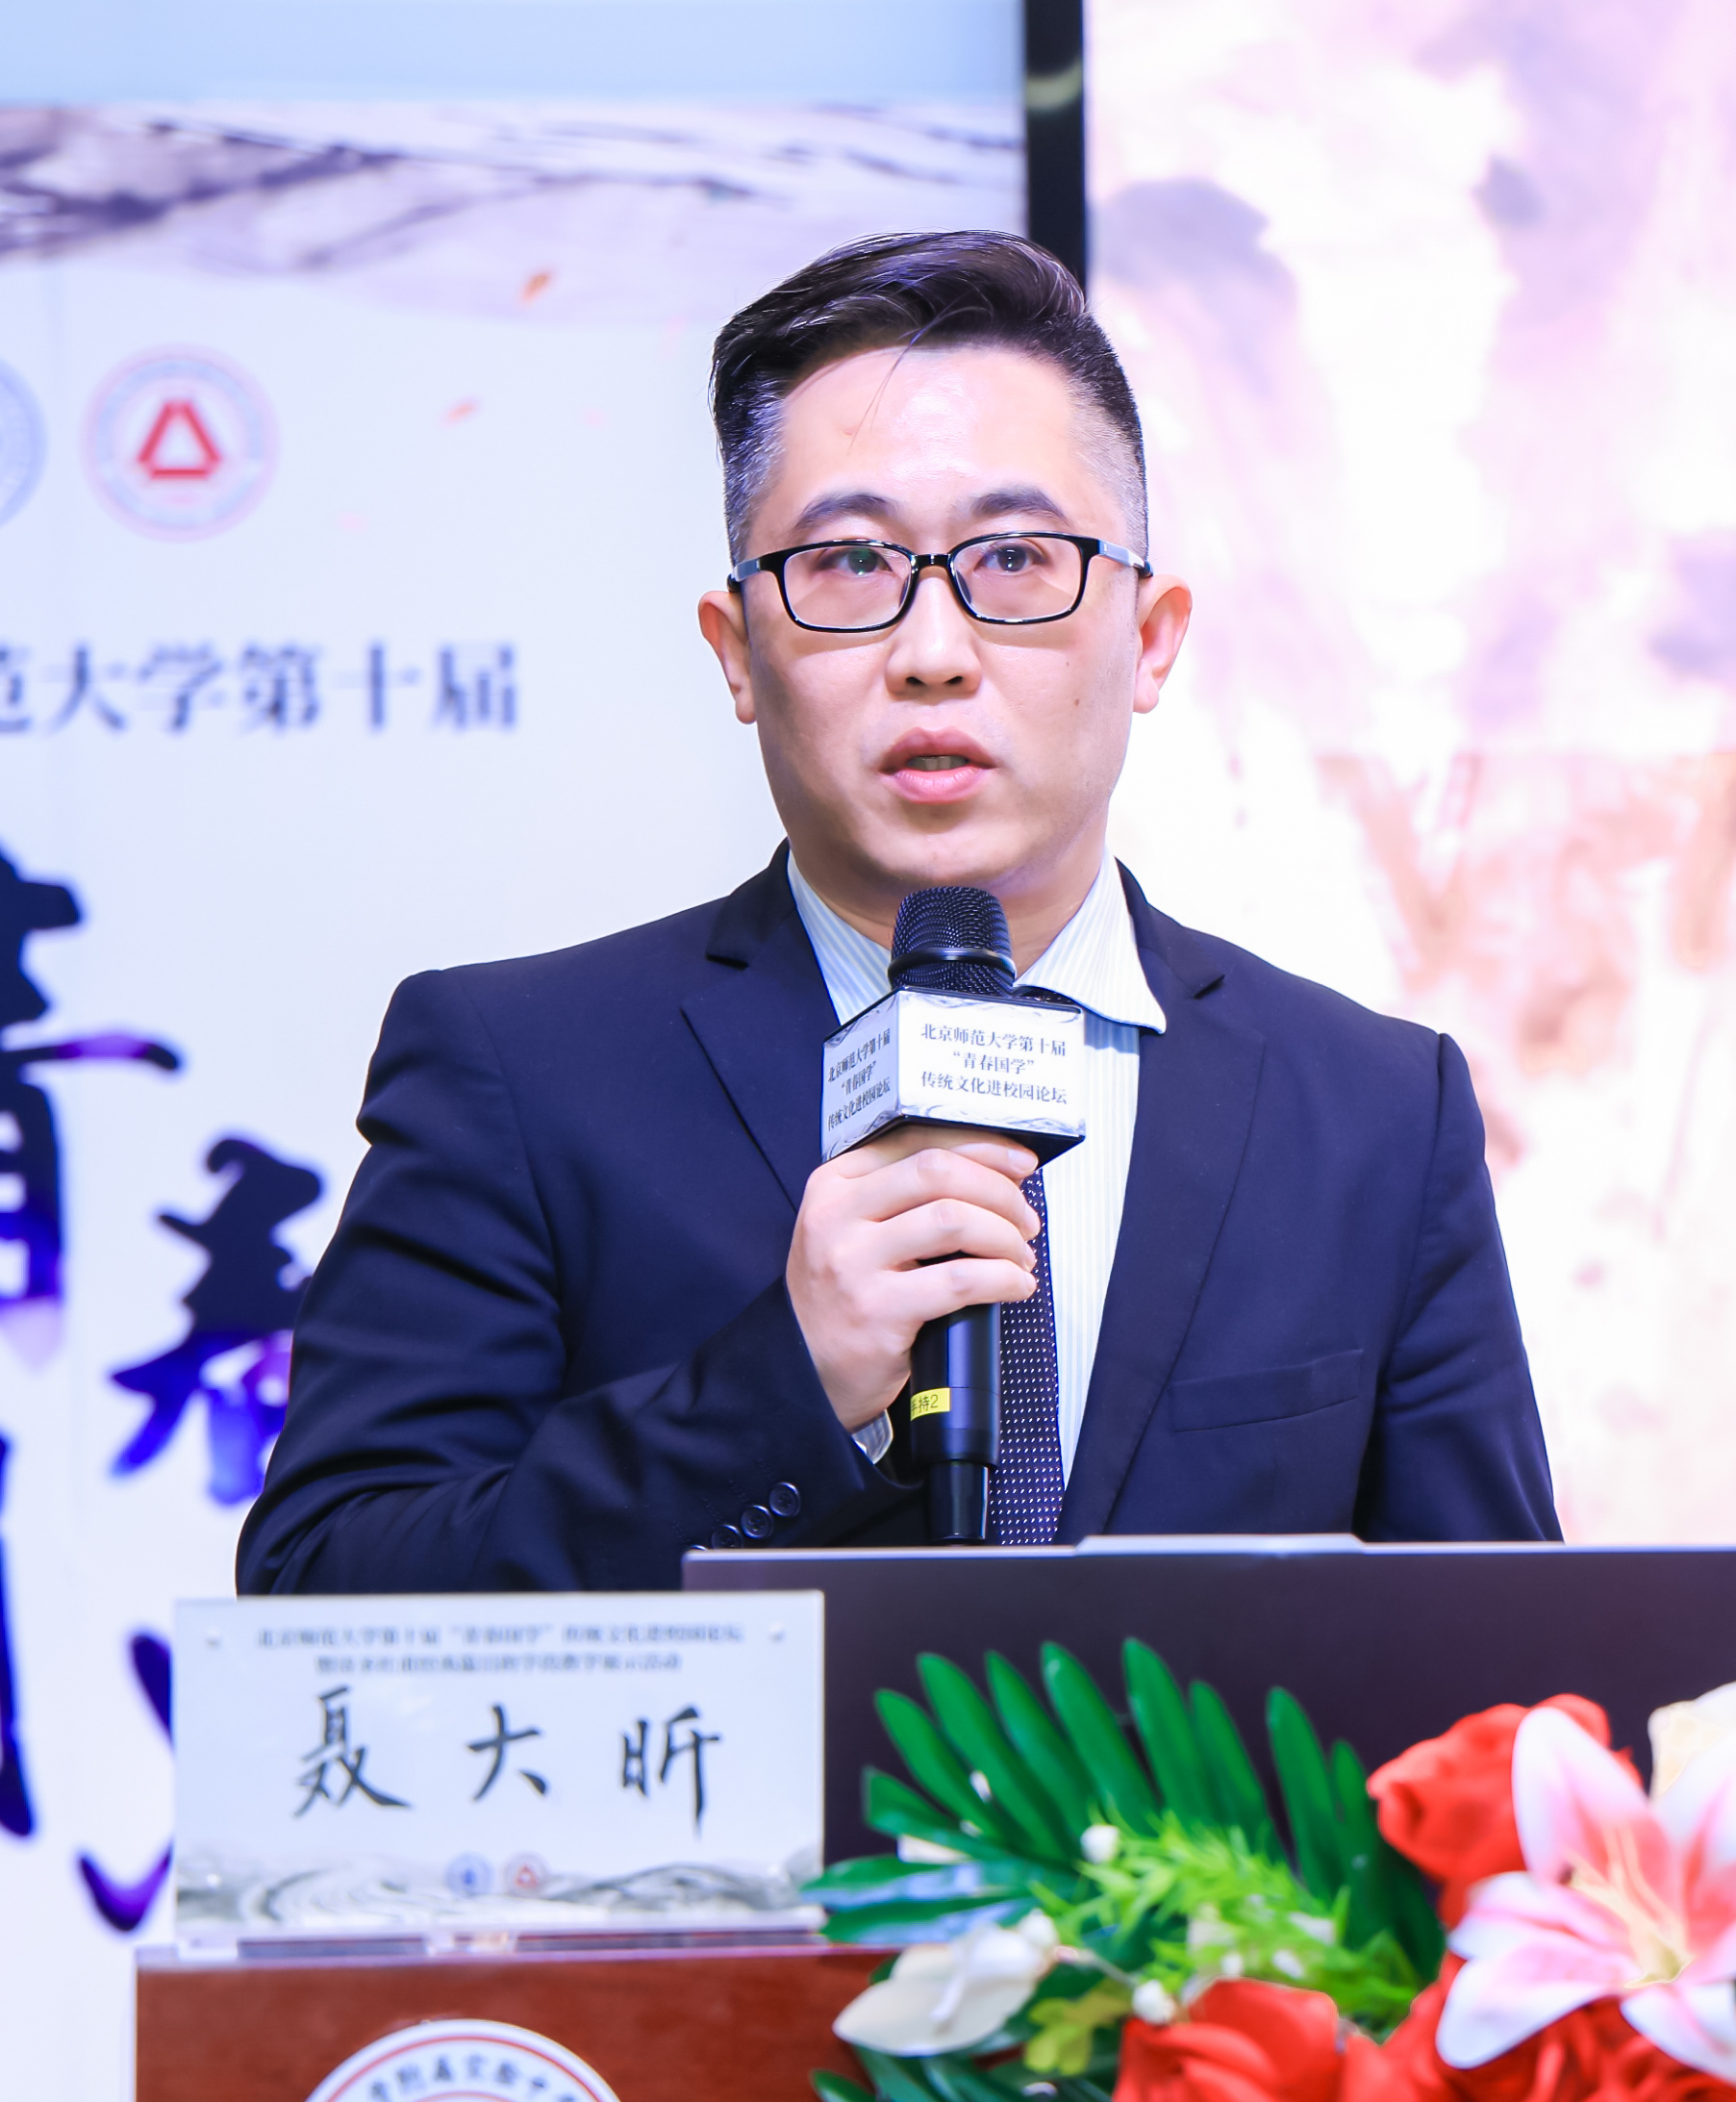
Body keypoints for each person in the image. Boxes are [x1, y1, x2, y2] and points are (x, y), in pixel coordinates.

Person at [239, 231, 1555, 1595]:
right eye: (851, 565)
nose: (934, 653)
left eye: (1018, 558)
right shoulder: (521, 1072)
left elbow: (1513, 1666)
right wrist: (782, 1388)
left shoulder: (1375, 1114)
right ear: (737, 651)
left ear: (1151, 639)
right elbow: (323, 1597)